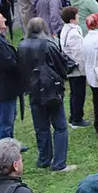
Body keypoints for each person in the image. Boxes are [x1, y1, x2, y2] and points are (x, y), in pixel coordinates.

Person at [18, 18, 76, 173]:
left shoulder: (21, 45)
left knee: (41, 127)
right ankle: (59, 163)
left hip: (32, 90)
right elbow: (61, 65)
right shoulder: (48, 45)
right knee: (60, 126)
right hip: (50, 90)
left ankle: (44, 159)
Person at [59, 6, 90, 129]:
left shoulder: (66, 29)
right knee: (78, 94)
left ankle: (74, 117)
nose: (79, 17)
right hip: (76, 69)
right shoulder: (74, 34)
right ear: (72, 19)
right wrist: (84, 70)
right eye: (77, 15)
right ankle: (77, 118)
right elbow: (79, 54)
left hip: (71, 67)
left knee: (74, 93)